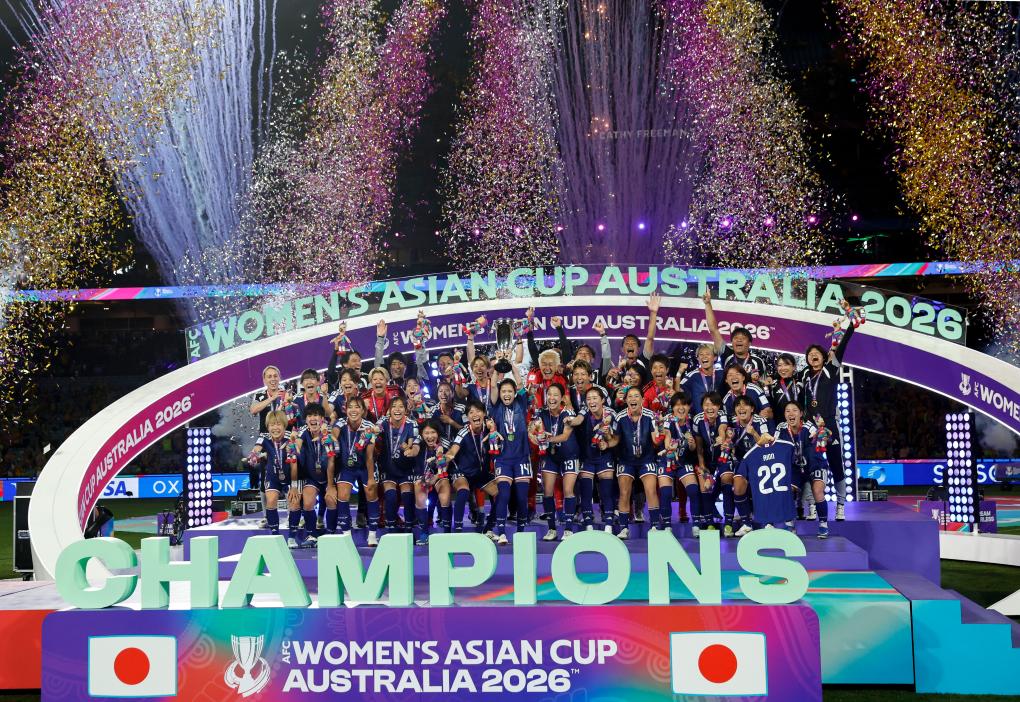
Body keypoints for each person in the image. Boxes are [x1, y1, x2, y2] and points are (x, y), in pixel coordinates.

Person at [800, 313, 856, 520]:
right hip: (811, 428)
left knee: (836, 465)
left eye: (817, 353)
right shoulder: (804, 376)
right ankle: (811, 505)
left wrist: (849, 327)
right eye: (810, 354)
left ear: (824, 358)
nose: (813, 356)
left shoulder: (830, 370)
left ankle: (840, 505)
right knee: (810, 466)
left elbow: (842, 346)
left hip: (830, 426)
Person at [487, 354, 530, 545]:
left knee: (521, 497)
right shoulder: (495, 406)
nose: (506, 394)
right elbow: (493, 385)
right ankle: (502, 532)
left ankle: (521, 532)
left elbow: (520, 383)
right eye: (503, 391)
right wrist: (498, 366)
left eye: (509, 391)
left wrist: (511, 364)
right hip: (503, 458)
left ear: (514, 393)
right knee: (503, 495)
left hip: (521, 457)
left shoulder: (521, 402)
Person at [530, 382, 580, 541]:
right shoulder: (541, 412)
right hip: (550, 456)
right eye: (549, 394)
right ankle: (551, 529)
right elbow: (531, 429)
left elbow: (565, 436)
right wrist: (535, 438)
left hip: (569, 454)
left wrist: (547, 439)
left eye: (555, 395)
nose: (552, 398)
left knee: (568, 490)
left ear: (562, 398)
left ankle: (568, 529)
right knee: (547, 492)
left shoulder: (568, 413)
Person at [328, 397, 381, 545]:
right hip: (347, 467)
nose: (353, 410)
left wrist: (371, 478)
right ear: (346, 410)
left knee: (371, 493)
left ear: (363, 410)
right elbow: (334, 433)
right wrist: (332, 438)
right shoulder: (340, 422)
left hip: (365, 466)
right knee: (343, 495)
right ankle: (346, 535)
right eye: (350, 407)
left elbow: (369, 456)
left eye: (357, 407)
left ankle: (372, 535)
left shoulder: (369, 427)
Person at [613, 386, 663, 538]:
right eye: (630, 396)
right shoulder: (619, 417)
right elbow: (615, 440)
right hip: (626, 460)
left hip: (646, 458)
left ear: (642, 399)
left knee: (651, 490)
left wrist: (661, 427)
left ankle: (654, 526)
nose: (633, 399)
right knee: (624, 492)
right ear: (626, 400)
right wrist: (605, 441)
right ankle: (623, 528)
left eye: (636, 396)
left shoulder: (650, 415)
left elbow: (656, 440)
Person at [775, 401, 828, 537]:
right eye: (787, 411)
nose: (791, 413)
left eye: (794, 410)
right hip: (795, 468)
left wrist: (822, 434)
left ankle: (823, 525)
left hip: (815, 465)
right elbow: (774, 446)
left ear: (801, 414)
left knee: (817, 491)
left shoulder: (809, 427)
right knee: (786, 490)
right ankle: (789, 525)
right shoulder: (781, 428)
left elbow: (822, 439)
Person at [446, 400, 499, 533]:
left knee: (501, 494)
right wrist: (445, 458)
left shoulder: (489, 430)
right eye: (471, 412)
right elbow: (453, 450)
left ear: (484, 414)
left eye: (478, 411)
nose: (475, 414)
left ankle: (488, 529)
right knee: (463, 490)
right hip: (462, 472)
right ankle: (458, 530)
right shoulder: (463, 432)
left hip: (480, 473)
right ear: (467, 417)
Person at [571, 387, 619, 531]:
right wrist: (570, 421)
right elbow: (577, 421)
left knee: (606, 492)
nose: (591, 401)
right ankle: (588, 524)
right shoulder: (584, 411)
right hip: (587, 457)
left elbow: (616, 439)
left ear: (602, 400)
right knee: (586, 492)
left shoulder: (611, 414)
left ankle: (609, 525)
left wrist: (607, 442)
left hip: (605, 456)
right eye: (588, 399)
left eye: (595, 398)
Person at [247, 410, 299, 539]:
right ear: (268, 426)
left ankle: (292, 538)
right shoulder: (264, 437)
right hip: (272, 476)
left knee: (294, 503)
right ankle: (275, 536)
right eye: (272, 425)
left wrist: (294, 486)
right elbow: (256, 449)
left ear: (284, 425)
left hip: (290, 477)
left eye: (278, 424)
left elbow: (294, 465)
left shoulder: (290, 438)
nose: (275, 428)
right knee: (270, 500)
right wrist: (253, 456)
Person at [728, 396, 774, 536]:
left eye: (745, 405)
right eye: (738, 405)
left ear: (752, 409)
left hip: (761, 459)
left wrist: (753, 432)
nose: (741, 408)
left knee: (763, 486)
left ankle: (768, 523)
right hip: (742, 461)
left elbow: (766, 444)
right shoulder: (732, 422)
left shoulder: (760, 421)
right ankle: (746, 524)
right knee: (737, 485)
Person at [377, 396, 420, 534]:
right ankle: (391, 530)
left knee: (407, 497)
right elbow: (374, 430)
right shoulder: (383, 421)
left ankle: (409, 530)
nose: (397, 409)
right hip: (388, 467)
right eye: (394, 406)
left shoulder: (411, 423)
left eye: (401, 406)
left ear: (406, 410)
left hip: (406, 468)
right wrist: (373, 432)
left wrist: (412, 451)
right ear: (389, 410)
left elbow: (416, 442)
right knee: (390, 497)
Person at [703, 291, 769, 379]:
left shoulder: (758, 361)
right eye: (736, 338)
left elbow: (764, 383)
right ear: (732, 342)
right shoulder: (726, 354)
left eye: (743, 338)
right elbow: (713, 330)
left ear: (749, 343)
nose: (739, 340)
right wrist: (707, 304)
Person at [408, 419, 454, 544]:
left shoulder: (444, 442)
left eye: (433, 432)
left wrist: (435, 478)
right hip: (422, 475)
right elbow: (415, 449)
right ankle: (424, 533)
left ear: (438, 433)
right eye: (426, 433)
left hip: (440, 474)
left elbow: (445, 465)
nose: (430, 436)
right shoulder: (418, 440)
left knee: (445, 494)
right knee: (420, 495)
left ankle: (447, 533)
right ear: (422, 434)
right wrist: (411, 451)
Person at [661, 392, 700, 534]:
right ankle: (667, 525)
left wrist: (691, 444)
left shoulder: (693, 422)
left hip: (684, 461)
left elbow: (693, 448)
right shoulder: (668, 419)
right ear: (672, 408)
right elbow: (667, 435)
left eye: (684, 404)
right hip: (667, 460)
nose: (681, 408)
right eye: (677, 405)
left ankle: (696, 524)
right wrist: (668, 445)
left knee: (693, 490)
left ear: (689, 406)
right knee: (665, 492)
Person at [295, 403, 333, 548]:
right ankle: (312, 535)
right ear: (306, 419)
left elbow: (333, 457)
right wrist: (294, 447)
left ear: (322, 418)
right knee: (307, 502)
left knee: (331, 499)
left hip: (330, 477)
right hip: (312, 477)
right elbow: (297, 445)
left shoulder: (329, 431)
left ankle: (331, 534)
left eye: (316, 415)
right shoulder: (303, 431)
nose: (313, 418)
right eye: (310, 416)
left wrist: (331, 485)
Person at [694, 392, 728, 531]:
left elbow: (722, 428)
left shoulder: (723, 415)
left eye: (713, 404)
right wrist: (702, 465)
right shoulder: (697, 420)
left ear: (718, 406)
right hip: (706, 459)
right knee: (705, 486)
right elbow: (699, 446)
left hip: (722, 459)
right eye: (706, 404)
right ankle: (708, 521)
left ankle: (724, 518)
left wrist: (721, 437)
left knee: (723, 481)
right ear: (702, 406)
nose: (710, 408)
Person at [678, 344, 725, 414]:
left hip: (719, 417)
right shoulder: (692, 376)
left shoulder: (722, 373)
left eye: (707, 354)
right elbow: (678, 393)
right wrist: (678, 374)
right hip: (699, 418)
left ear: (715, 357)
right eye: (701, 354)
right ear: (697, 358)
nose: (704, 357)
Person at [249, 366, 291, 434]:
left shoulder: (287, 394)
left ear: (279, 378)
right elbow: (253, 410)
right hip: (265, 436)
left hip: (285, 435)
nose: (273, 379)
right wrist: (272, 398)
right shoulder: (259, 395)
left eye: (275, 376)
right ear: (264, 380)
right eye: (269, 377)